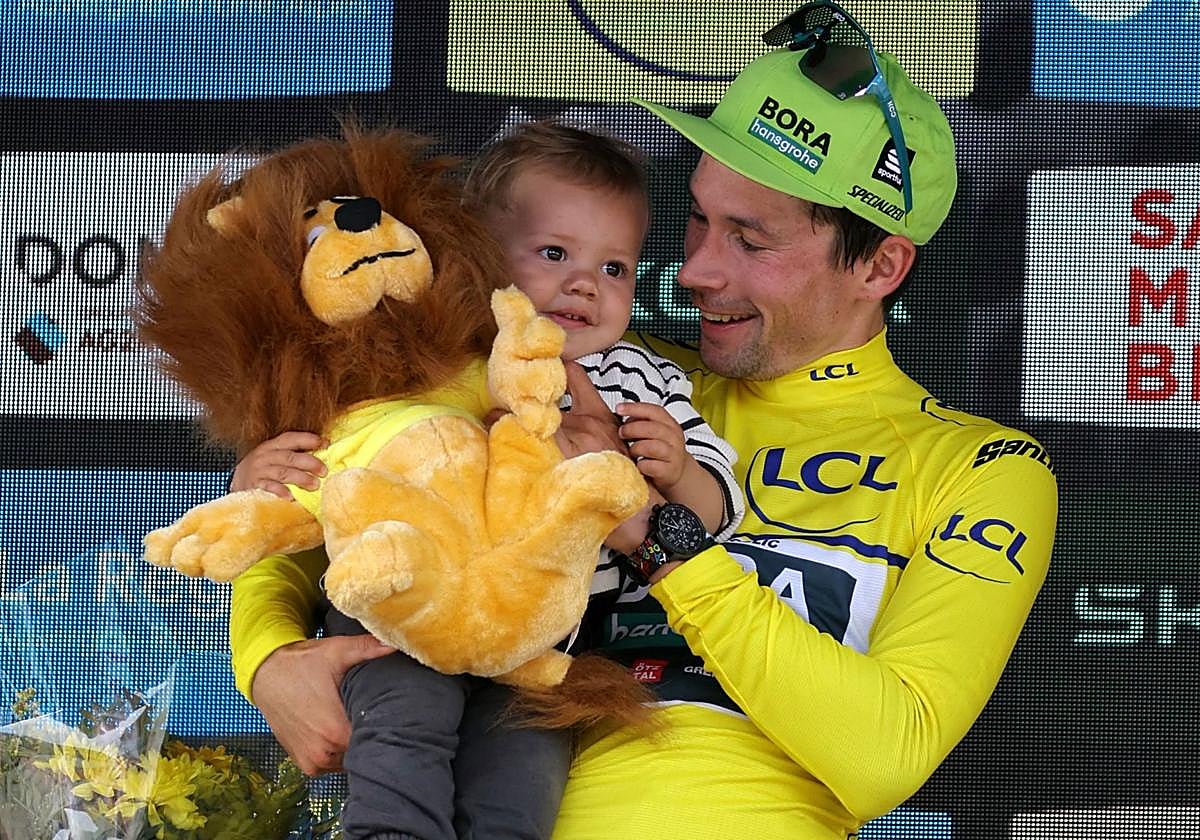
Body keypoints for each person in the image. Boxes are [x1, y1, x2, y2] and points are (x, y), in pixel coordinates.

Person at [229, 5, 1057, 839]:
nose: (693, 268)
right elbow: (334, 507)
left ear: (880, 264)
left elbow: (884, 755)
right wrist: (264, 659)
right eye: (698, 216)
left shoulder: (979, 469)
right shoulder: (596, 371)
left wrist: (654, 536)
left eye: (750, 239)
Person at [229, 121, 743, 840]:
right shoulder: (434, 359)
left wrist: (677, 474)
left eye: (615, 268)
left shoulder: (643, 381)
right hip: (409, 599)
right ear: (477, 254)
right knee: (402, 741)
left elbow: (717, 512)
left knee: (518, 791)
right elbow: (332, 461)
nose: (583, 286)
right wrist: (256, 479)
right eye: (555, 253)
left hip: (543, 641)